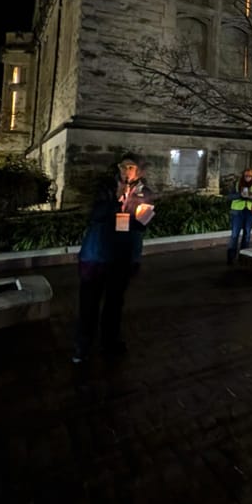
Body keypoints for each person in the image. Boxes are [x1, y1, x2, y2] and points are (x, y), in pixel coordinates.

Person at [73, 153, 155, 363]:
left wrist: (135, 212)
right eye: (124, 166)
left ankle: (110, 342)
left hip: (122, 255)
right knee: (88, 303)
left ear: (138, 171)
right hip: (97, 256)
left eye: (131, 167)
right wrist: (117, 202)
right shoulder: (106, 187)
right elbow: (96, 215)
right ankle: (82, 346)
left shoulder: (144, 192)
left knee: (114, 302)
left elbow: (143, 223)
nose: (127, 171)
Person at [226, 169, 252, 265]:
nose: (248, 178)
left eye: (250, 176)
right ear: (243, 176)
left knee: (247, 235)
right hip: (237, 212)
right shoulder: (237, 184)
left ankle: (244, 257)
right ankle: (231, 257)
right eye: (246, 176)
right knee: (235, 235)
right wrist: (240, 195)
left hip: (251, 211)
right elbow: (229, 197)